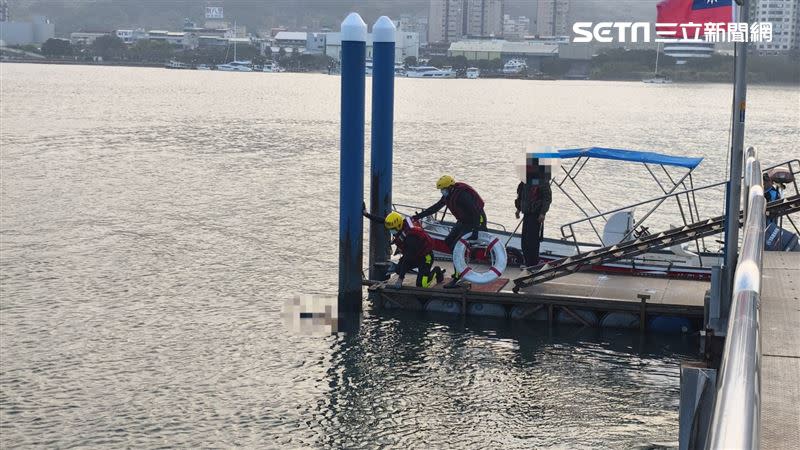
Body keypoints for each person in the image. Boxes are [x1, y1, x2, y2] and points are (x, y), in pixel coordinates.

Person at [413, 175, 487, 287]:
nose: (442, 192)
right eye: (441, 190)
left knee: (456, 246)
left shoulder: (462, 195)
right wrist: (418, 217)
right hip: (463, 221)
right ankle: (462, 264)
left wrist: (476, 230)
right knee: (448, 241)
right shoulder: (448, 196)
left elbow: (475, 212)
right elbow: (435, 207)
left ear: (450, 187)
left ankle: (458, 276)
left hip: (475, 221)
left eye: (443, 189)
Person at [363, 208, 445, 288]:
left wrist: (400, 279)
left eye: (392, 229)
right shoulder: (400, 224)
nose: (391, 231)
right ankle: (422, 272)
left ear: (398, 226)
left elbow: (407, 258)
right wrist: (367, 214)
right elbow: (383, 221)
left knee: (422, 284)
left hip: (425, 257)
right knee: (398, 269)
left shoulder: (411, 237)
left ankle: (437, 271)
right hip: (414, 255)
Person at [515, 159, 552, 268]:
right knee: (525, 240)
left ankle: (533, 263)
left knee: (533, 240)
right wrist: (518, 209)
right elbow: (520, 195)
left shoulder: (542, 180)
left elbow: (547, 198)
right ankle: (527, 262)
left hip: (536, 215)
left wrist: (542, 213)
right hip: (527, 213)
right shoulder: (525, 179)